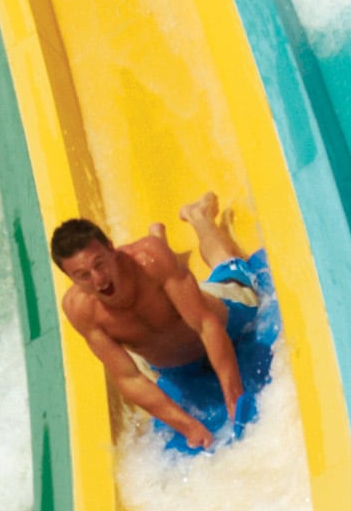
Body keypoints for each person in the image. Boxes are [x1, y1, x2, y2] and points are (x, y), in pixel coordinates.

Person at [50, 193, 276, 452]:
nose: (99, 279)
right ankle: (162, 242)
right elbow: (129, 378)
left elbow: (206, 325)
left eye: (99, 264)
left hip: (227, 322)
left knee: (230, 270)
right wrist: (188, 427)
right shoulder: (80, 310)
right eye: (82, 276)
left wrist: (235, 396)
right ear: (70, 278)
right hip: (176, 368)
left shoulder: (148, 259)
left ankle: (199, 218)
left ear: (112, 249)